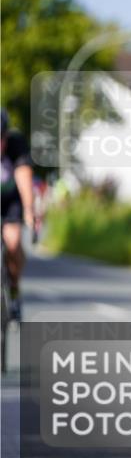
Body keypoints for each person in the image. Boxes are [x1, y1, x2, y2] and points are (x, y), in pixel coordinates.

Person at [1, 109, 36, 321]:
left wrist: (30, 212)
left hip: (11, 202)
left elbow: (24, 179)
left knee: (13, 243)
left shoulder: (16, 144)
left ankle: (13, 290)